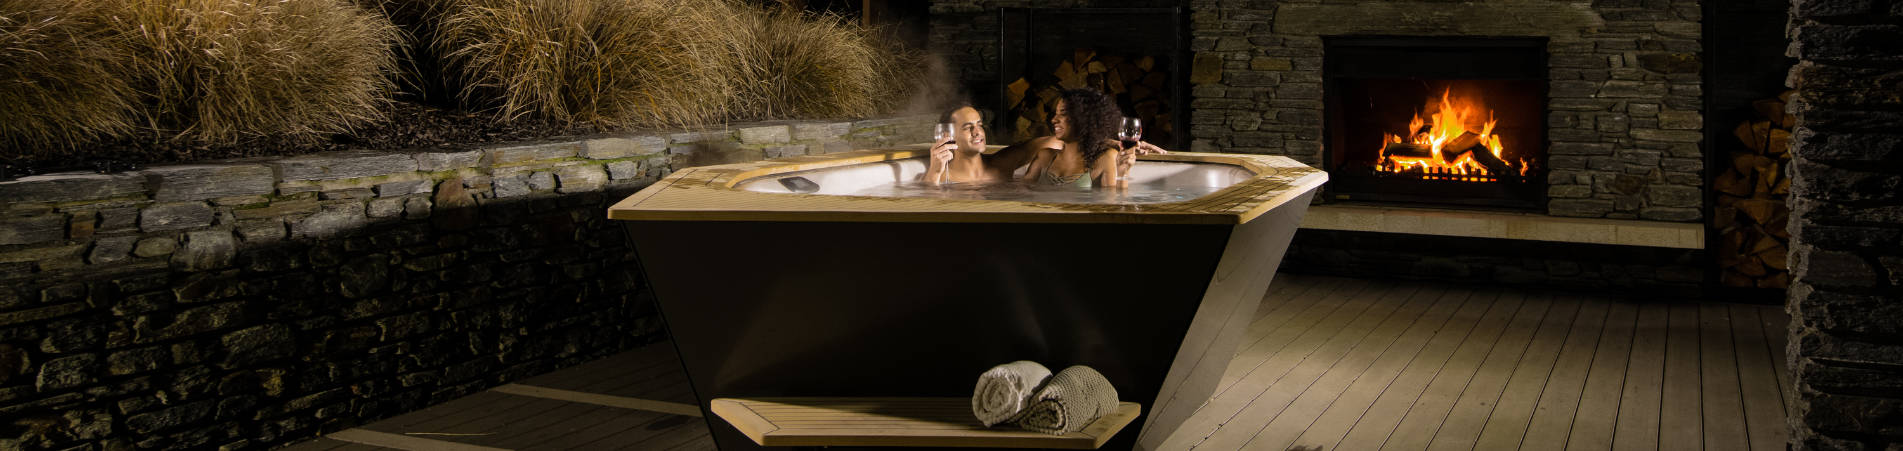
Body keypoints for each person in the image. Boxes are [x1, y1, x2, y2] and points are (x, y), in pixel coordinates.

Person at [1020, 89, 1166, 188]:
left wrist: (1123, 173)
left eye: (1063, 114)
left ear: (1084, 119)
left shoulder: (1104, 159)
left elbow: (1114, 206)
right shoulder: (1044, 157)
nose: (1054, 120)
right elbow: (1021, 196)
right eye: (1055, 114)